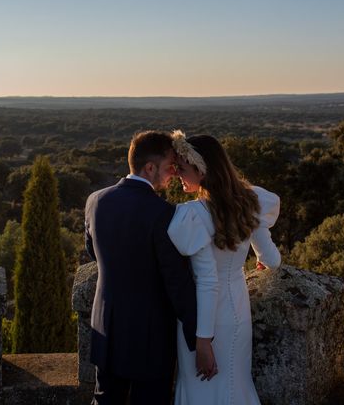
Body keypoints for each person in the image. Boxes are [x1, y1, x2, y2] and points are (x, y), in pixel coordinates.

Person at [167, 131, 281, 405]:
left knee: (198, 388)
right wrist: (258, 260)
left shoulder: (192, 215)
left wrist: (202, 340)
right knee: (234, 382)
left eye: (182, 169)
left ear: (201, 170)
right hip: (237, 309)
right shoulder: (249, 203)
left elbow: (207, 282)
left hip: (201, 315)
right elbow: (273, 260)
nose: (177, 174)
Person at [84, 130, 197, 405]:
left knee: (105, 401)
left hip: (106, 326)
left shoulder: (95, 201)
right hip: (151, 336)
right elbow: (176, 281)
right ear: (150, 167)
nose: (173, 172)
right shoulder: (163, 213)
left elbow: (93, 251)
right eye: (170, 165)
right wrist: (198, 337)